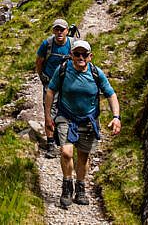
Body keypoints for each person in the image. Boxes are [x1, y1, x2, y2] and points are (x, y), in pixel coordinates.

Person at [44, 39, 121, 209]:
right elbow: (50, 91)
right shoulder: (63, 70)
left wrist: (116, 117)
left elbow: (111, 94)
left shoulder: (96, 73)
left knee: (83, 156)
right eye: (77, 54)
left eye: (84, 54)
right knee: (66, 152)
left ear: (90, 56)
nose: (80, 57)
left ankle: (80, 187)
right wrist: (48, 116)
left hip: (88, 120)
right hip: (66, 117)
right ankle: (67, 186)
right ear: (71, 55)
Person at [35, 18, 73, 158]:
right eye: (56, 29)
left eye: (62, 29)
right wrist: (42, 77)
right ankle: (51, 144)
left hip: (68, 83)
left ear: (67, 31)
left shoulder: (72, 44)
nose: (59, 32)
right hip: (51, 83)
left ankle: (65, 137)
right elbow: (39, 61)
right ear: (53, 31)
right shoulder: (47, 44)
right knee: (49, 111)